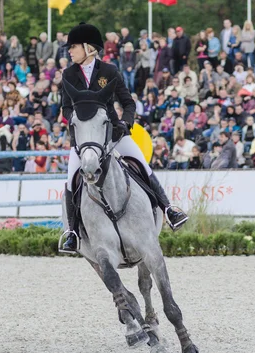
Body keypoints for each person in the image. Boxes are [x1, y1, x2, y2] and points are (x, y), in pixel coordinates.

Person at [59, 22, 188, 254]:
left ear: (88, 48)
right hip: (85, 139)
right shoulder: (68, 75)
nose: (69, 50)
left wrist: (125, 124)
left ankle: (169, 209)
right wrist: (78, 121)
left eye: (74, 46)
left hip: (113, 134)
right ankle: (73, 232)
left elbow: (128, 103)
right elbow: (65, 109)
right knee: (71, 180)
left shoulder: (109, 72)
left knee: (142, 165)